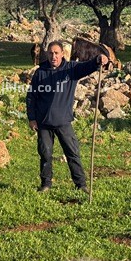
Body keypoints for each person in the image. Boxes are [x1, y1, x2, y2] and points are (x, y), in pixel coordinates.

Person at [26, 41, 110, 193]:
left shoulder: (71, 69)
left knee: (72, 153)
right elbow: (31, 97)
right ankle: (46, 184)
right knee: (45, 153)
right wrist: (32, 118)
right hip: (43, 122)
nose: (53, 56)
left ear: (62, 54)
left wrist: (98, 60)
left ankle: (81, 184)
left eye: (56, 53)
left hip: (63, 121)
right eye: (51, 53)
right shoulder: (40, 72)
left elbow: (87, 66)